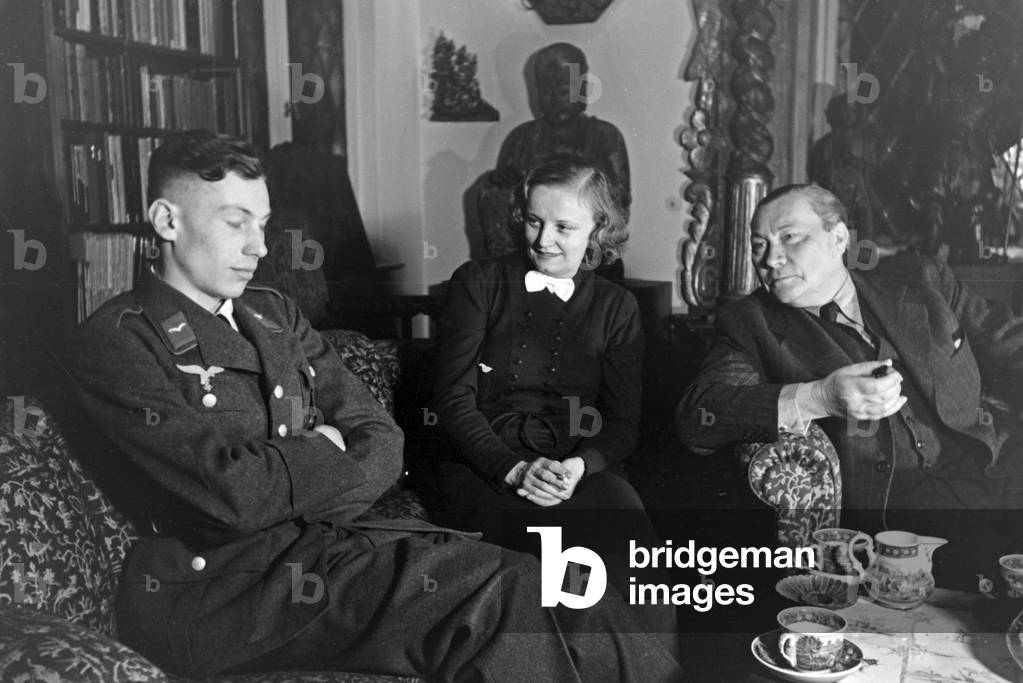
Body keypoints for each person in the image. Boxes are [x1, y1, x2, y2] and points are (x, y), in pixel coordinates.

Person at [68, 131, 681, 682]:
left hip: (330, 551)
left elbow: (383, 443)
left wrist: (308, 464)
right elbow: (233, 496)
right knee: (507, 595)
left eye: (264, 223)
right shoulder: (119, 340)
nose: (258, 246)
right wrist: (325, 447)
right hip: (231, 595)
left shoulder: (273, 312)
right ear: (166, 220)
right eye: (236, 223)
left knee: (570, 594)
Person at [675, 183, 1023, 586]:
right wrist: (820, 397)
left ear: (838, 238)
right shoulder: (750, 322)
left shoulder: (923, 280)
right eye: (758, 245)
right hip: (900, 511)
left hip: (997, 467)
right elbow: (698, 416)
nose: (770, 258)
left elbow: (1012, 342)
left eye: (790, 237)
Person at [432, 156, 675, 638]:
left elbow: (623, 423)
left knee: (636, 555)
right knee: (544, 565)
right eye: (534, 221)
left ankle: (659, 668)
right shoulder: (477, 282)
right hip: (483, 463)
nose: (543, 240)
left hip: (574, 467)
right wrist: (514, 469)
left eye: (564, 227)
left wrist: (579, 467)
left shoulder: (618, 308)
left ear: (598, 229)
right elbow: (452, 400)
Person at [478, 42, 629, 280]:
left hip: (587, 254)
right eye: (545, 91)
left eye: (563, 90)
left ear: (582, 90)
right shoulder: (521, 138)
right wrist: (502, 183)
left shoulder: (604, 136)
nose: (555, 100)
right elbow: (507, 208)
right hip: (533, 252)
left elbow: (619, 202)